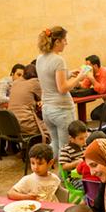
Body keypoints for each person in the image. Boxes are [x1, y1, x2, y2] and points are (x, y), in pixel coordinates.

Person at [36, 26, 87, 158]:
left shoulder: (40, 58)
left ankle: (46, 173)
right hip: (61, 110)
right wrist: (80, 77)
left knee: (55, 144)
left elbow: (49, 78)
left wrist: (68, 74)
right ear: (57, 41)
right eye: (64, 40)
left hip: (47, 109)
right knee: (66, 150)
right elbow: (62, 88)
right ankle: (64, 178)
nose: (66, 43)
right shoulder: (58, 60)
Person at [8, 64, 49, 139]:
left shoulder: (15, 83)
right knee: (52, 129)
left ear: (24, 74)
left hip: (12, 125)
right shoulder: (34, 82)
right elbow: (44, 98)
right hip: (27, 125)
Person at [79, 55, 106, 121]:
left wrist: (91, 78)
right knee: (95, 114)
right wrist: (77, 80)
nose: (86, 68)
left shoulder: (105, 72)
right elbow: (84, 86)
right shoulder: (92, 74)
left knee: (97, 115)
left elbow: (101, 90)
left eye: (88, 66)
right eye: (85, 66)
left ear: (95, 66)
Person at [59, 120, 89, 189]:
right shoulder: (66, 150)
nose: (84, 140)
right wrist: (77, 163)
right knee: (87, 187)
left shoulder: (85, 146)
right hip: (75, 178)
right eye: (81, 138)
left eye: (85, 137)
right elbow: (64, 166)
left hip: (87, 173)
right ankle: (87, 199)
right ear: (71, 139)